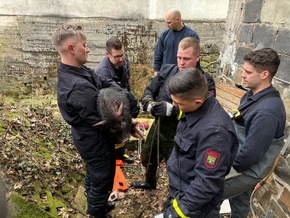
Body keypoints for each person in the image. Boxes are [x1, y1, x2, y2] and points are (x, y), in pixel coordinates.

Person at [51, 24, 143, 218]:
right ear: (71, 48)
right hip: (95, 144)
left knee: (95, 175)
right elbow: (108, 122)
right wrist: (130, 124)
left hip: (92, 140)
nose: (88, 48)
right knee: (102, 178)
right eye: (84, 44)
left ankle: (96, 201)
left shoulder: (79, 71)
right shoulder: (77, 88)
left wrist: (121, 93)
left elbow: (103, 81)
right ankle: (97, 211)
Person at [210, 48, 286, 218]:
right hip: (239, 161)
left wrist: (220, 172)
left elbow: (249, 155)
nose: (242, 75)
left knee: (209, 195)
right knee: (240, 203)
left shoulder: (267, 111)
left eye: (247, 72)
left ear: (264, 74)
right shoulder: (251, 96)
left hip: (246, 169)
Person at [131, 37, 216, 190]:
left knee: (177, 169)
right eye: (179, 57)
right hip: (159, 127)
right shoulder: (167, 70)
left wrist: (173, 110)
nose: (181, 62)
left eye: (186, 58)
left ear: (197, 57)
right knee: (148, 155)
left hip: (182, 133)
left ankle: (175, 196)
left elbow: (204, 113)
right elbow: (150, 89)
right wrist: (149, 104)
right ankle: (150, 182)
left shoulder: (204, 82)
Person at [159, 68, 238, 217]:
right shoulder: (194, 109)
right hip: (182, 191)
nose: (175, 106)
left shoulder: (215, 133)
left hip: (196, 207)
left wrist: (178, 212)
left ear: (197, 102)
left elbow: (207, 182)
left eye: (178, 103)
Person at [95, 36, 135, 163]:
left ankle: (121, 153)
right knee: (116, 127)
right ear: (108, 54)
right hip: (111, 106)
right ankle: (114, 156)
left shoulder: (124, 61)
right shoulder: (102, 72)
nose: (121, 59)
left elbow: (127, 81)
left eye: (122, 54)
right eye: (117, 57)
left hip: (123, 98)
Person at [153, 8, 200, 76]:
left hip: (183, 77)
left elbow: (195, 59)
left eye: (169, 22)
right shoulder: (164, 35)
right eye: (166, 22)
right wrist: (156, 76)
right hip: (165, 76)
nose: (167, 25)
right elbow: (158, 56)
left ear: (178, 19)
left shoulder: (191, 35)